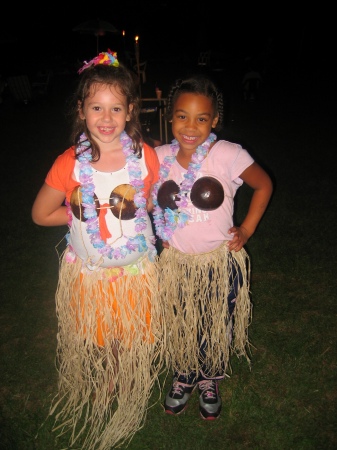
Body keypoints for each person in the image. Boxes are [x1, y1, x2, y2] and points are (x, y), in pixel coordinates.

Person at [31, 50, 165, 450]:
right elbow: (41, 214)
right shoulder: (69, 163)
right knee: (100, 334)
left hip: (135, 271)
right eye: (96, 108)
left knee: (128, 335)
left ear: (129, 112)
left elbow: (148, 203)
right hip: (89, 272)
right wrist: (81, 215)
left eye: (115, 108)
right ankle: (106, 379)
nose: (105, 119)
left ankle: (125, 380)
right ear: (81, 110)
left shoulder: (145, 157)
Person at [151, 75, 273, 420]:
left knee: (215, 320)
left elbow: (263, 185)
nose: (190, 127)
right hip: (175, 262)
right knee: (180, 319)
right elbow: (144, 200)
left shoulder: (228, 154)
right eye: (181, 116)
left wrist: (246, 229)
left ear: (214, 121)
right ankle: (184, 373)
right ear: (170, 116)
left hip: (218, 262)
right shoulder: (158, 157)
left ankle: (209, 378)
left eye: (201, 118)